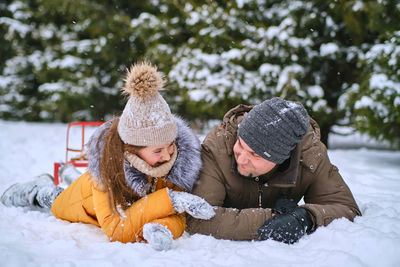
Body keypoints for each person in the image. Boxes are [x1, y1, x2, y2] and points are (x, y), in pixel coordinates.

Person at [1, 61, 214, 250]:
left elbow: (175, 216)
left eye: (170, 146)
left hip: (121, 206)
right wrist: (171, 199)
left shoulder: (174, 161)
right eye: (157, 151)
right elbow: (117, 230)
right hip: (81, 204)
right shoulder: (107, 170)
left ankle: (66, 175)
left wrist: (161, 227)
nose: (168, 156)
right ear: (131, 150)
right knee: (55, 199)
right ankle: (35, 190)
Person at [187, 97, 361, 244]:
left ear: (281, 158)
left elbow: (346, 208)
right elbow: (198, 219)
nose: (241, 158)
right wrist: (271, 218)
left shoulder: (310, 156)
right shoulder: (217, 148)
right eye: (240, 144)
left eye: (255, 155)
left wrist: (305, 217)